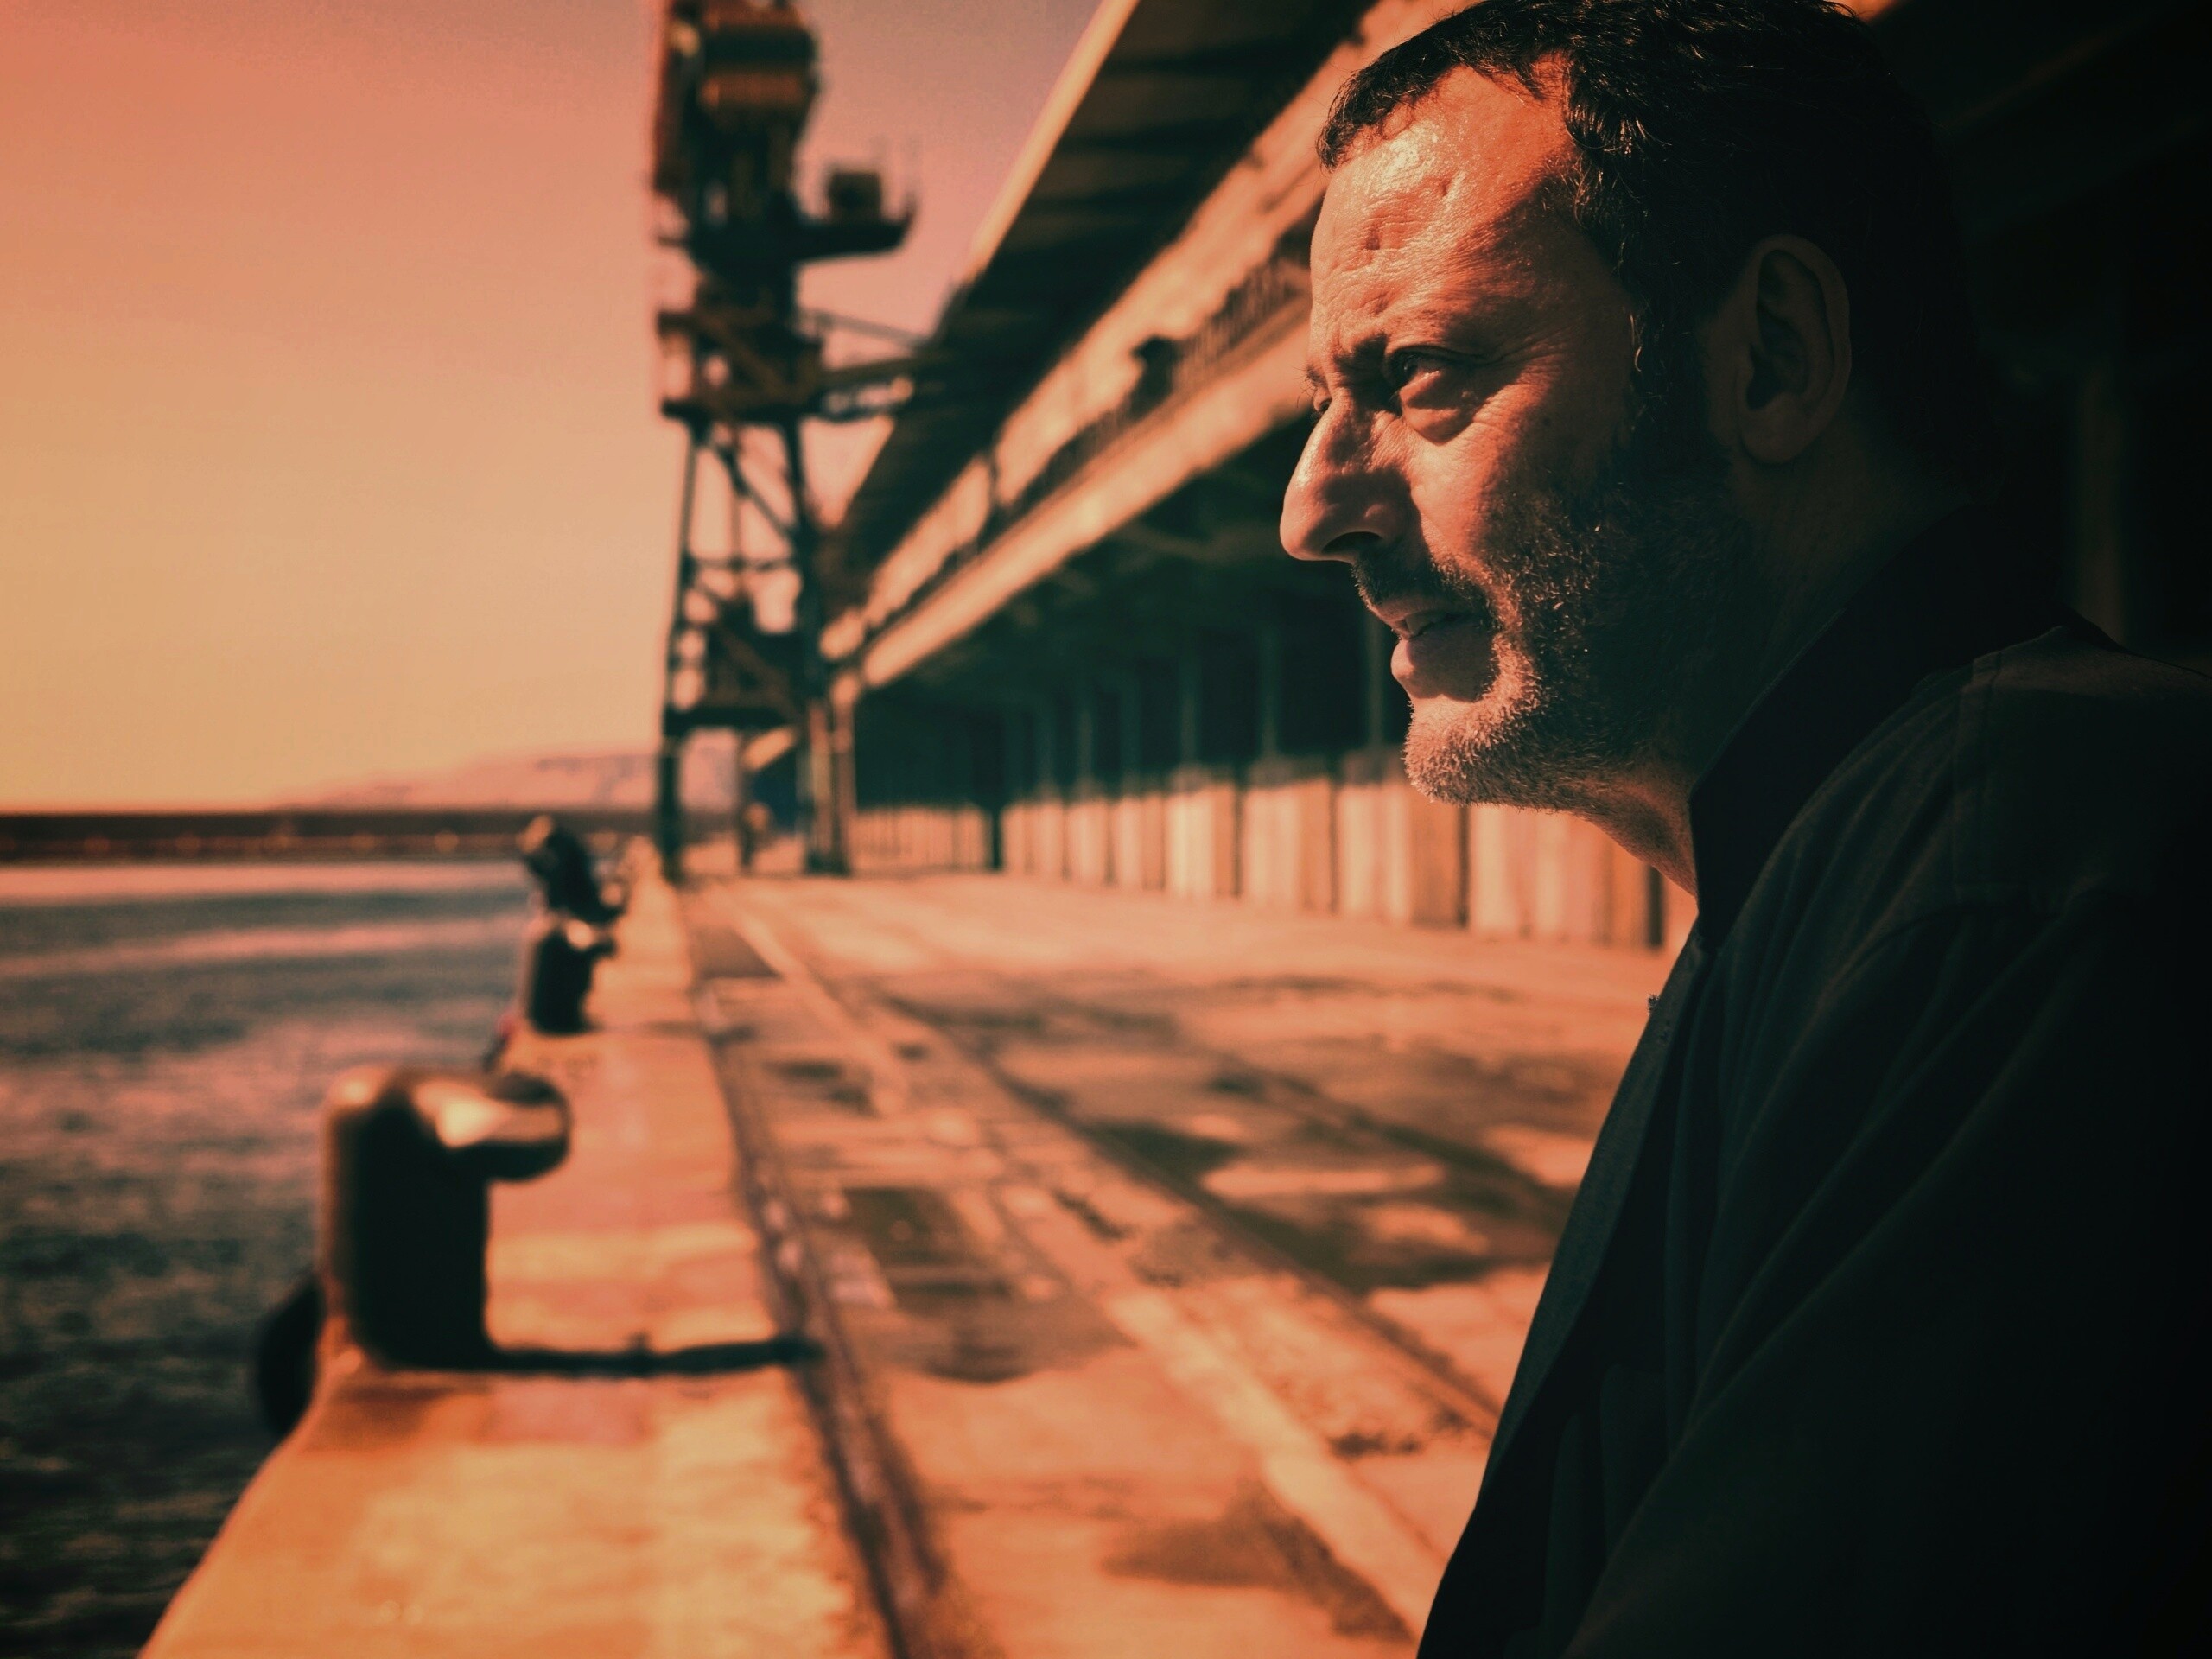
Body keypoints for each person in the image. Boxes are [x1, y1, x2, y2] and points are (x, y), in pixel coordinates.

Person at [1279, 2, 2212, 1652]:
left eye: (1418, 379)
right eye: (1322, 402)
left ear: (1770, 357)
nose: (1313, 508)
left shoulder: (2019, 884)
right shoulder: (1840, 868)